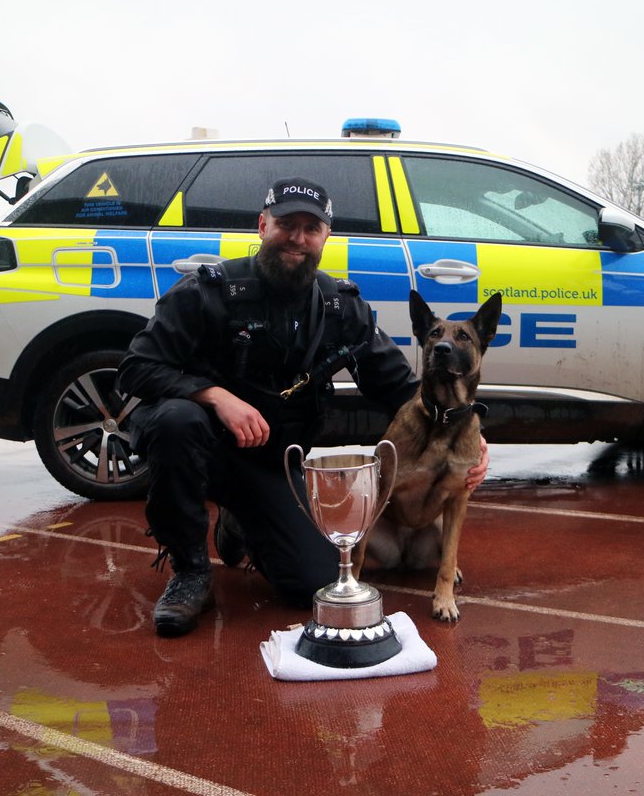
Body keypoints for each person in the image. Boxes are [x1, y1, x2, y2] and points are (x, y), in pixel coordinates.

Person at [118, 177, 488, 637]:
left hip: (269, 461)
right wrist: (213, 396)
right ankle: (190, 570)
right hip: (201, 449)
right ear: (262, 226)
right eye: (285, 224)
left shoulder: (341, 308)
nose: (297, 238)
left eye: (311, 228)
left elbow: (400, 387)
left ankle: (240, 522)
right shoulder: (209, 291)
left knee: (314, 581)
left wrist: (472, 435)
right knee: (177, 420)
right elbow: (135, 368)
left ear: (325, 237)